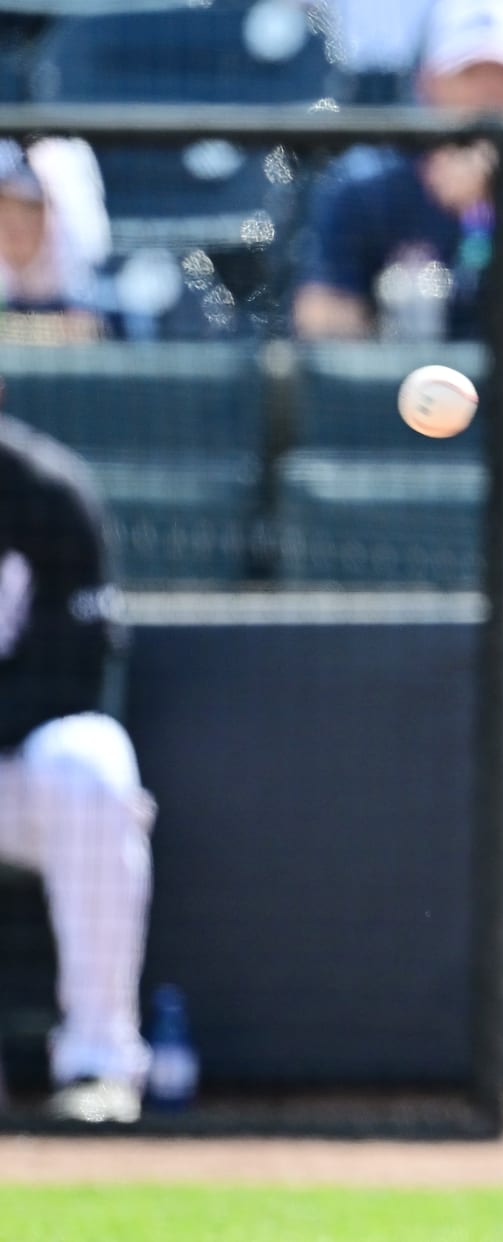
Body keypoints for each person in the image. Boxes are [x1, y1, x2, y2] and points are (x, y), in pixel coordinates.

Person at [294, 0, 503, 351]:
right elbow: (319, 330)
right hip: (397, 401)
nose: (489, 93)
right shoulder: (363, 189)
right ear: (427, 82)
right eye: (469, 73)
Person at [0, 409, 156, 1125]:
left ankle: (99, 1061)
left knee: (92, 762)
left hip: (14, 769)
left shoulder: (42, 488)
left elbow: (77, 668)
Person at [0, 140, 108, 345]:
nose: (16, 224)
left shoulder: (95, 295)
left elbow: (86, 329)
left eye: (30, 208)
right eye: (4, 208)